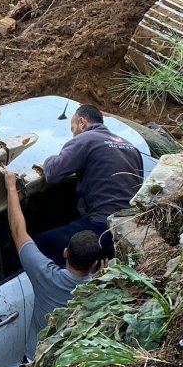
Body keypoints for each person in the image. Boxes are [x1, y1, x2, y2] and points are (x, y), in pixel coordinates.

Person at [3, 169, 98, 360]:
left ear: (65, 253)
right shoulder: (99, 290)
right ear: (94, 263)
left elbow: (18, 230)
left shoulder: (45, 275)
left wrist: (11, 188)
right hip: (65, 364)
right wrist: (99, 277)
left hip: (35, 359)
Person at [34, 104, 143, 266]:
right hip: (131, 226)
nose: (73, 135)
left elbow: (53, 174)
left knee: (39, 243)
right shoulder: (129, 146)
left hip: (103, 225)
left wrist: (48, 159)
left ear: (82, 123)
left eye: (72, 129)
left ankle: (69, 283)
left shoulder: (85, 139)